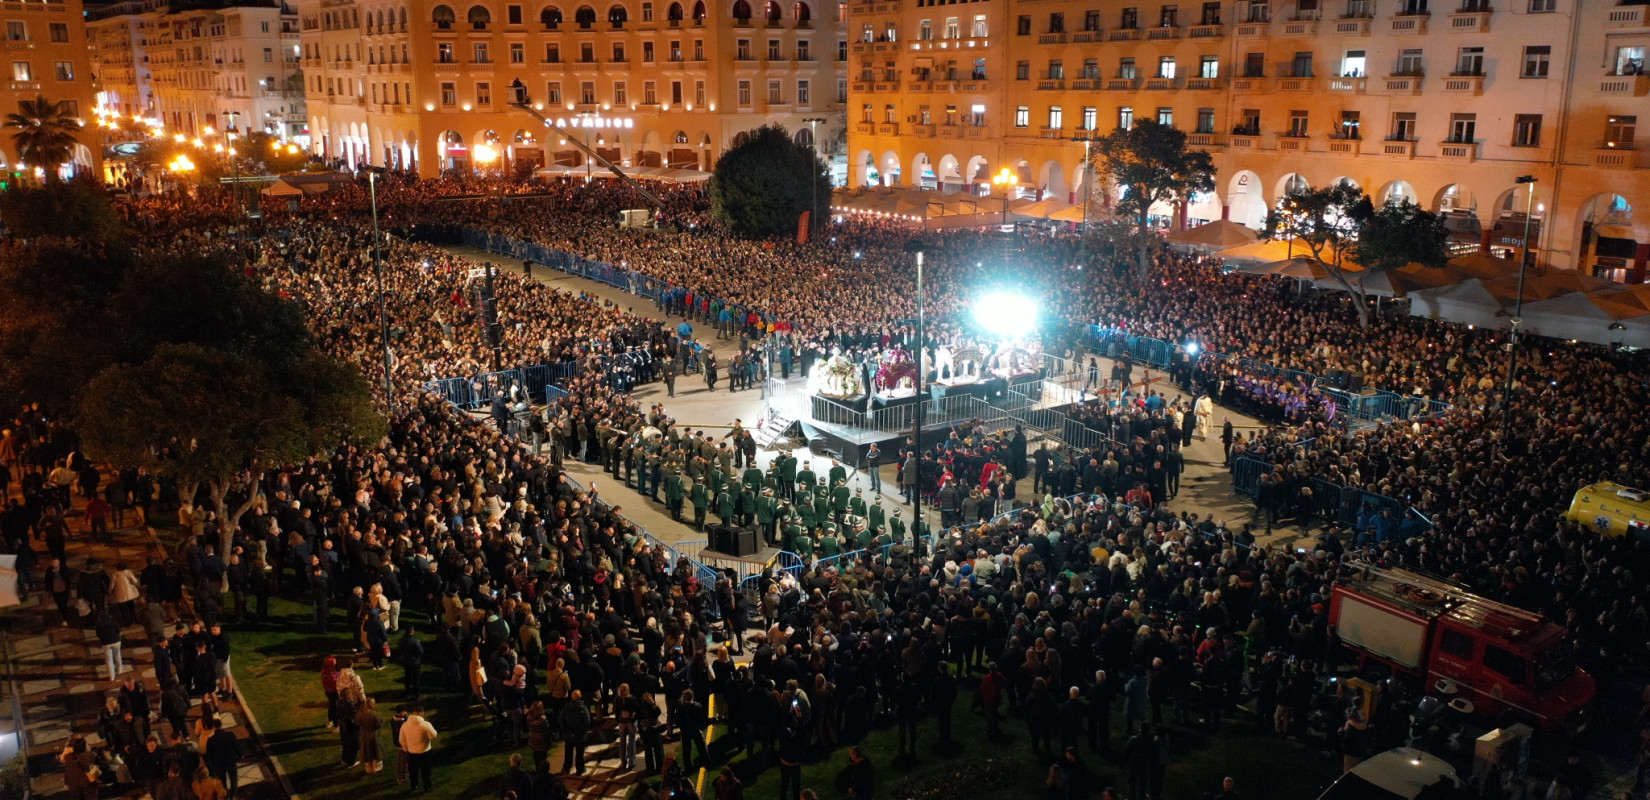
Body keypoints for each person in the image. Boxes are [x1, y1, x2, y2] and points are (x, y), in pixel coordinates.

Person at [399, 705, 437, 792]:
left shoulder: (405, 725)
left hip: (412, 753)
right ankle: (427, 786)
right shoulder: (426, 725)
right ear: (422, 713)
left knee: (413, 771)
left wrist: (406, 748)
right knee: (426, 771)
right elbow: (433, 736)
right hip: (425, 751)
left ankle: (414, 785)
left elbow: (401, 739)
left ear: (414, 713)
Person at [557, 689, 592, 775]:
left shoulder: (566, 708)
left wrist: (566, 730)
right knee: (579, 754)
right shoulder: (583, 709)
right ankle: (580, 769)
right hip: (580, 736)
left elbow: (561, 720)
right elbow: (587, 722)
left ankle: (567, 768)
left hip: (568, 736)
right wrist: (579, 732)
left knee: (568, 753)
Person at [203, 718, 240, 794]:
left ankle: (225, 795)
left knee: (222, 782)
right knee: (234, 780)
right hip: (230, 761)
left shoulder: (210, 740)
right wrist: (240, 755)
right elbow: (237, 746)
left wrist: (212, 767)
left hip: (219, 764)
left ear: (213, 727)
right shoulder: (230, 735)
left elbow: (209, 755)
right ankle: (233, 795)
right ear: (221, 725)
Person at [96, 609, 124, 681]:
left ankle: (111, 676)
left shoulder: (99, 624)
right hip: (116, 641)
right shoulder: (112, 621)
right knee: (117, 655)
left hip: (106, 643)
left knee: (109, 660)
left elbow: (98, 634)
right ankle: (119, 669)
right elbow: (118, 629)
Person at [358, 697, 383, 774]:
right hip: (373, 734)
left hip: (363, 734)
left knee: (366, 750)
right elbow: (379, 723)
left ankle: (368, 767)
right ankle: (375, 766)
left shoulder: (360, 713)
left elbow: (357, 722)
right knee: (374, 749)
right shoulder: (374, 714)